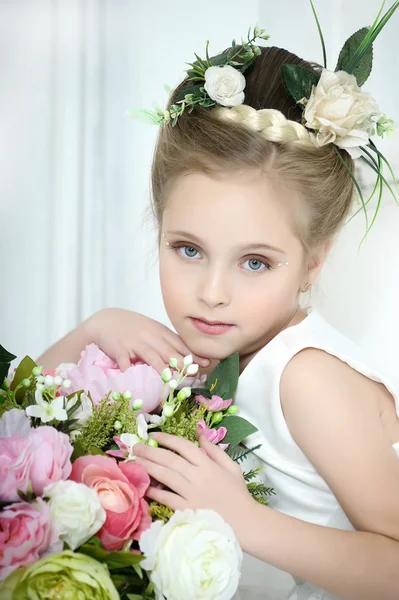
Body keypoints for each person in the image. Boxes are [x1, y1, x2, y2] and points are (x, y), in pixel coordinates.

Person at [38, 8, 399, 600]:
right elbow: (21, 422)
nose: (212, 292)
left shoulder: (307, 380)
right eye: (188, 249)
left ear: (314, 261)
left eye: (255, 262)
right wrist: (92, 332)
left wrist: (248, 520)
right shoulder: (209, 354)